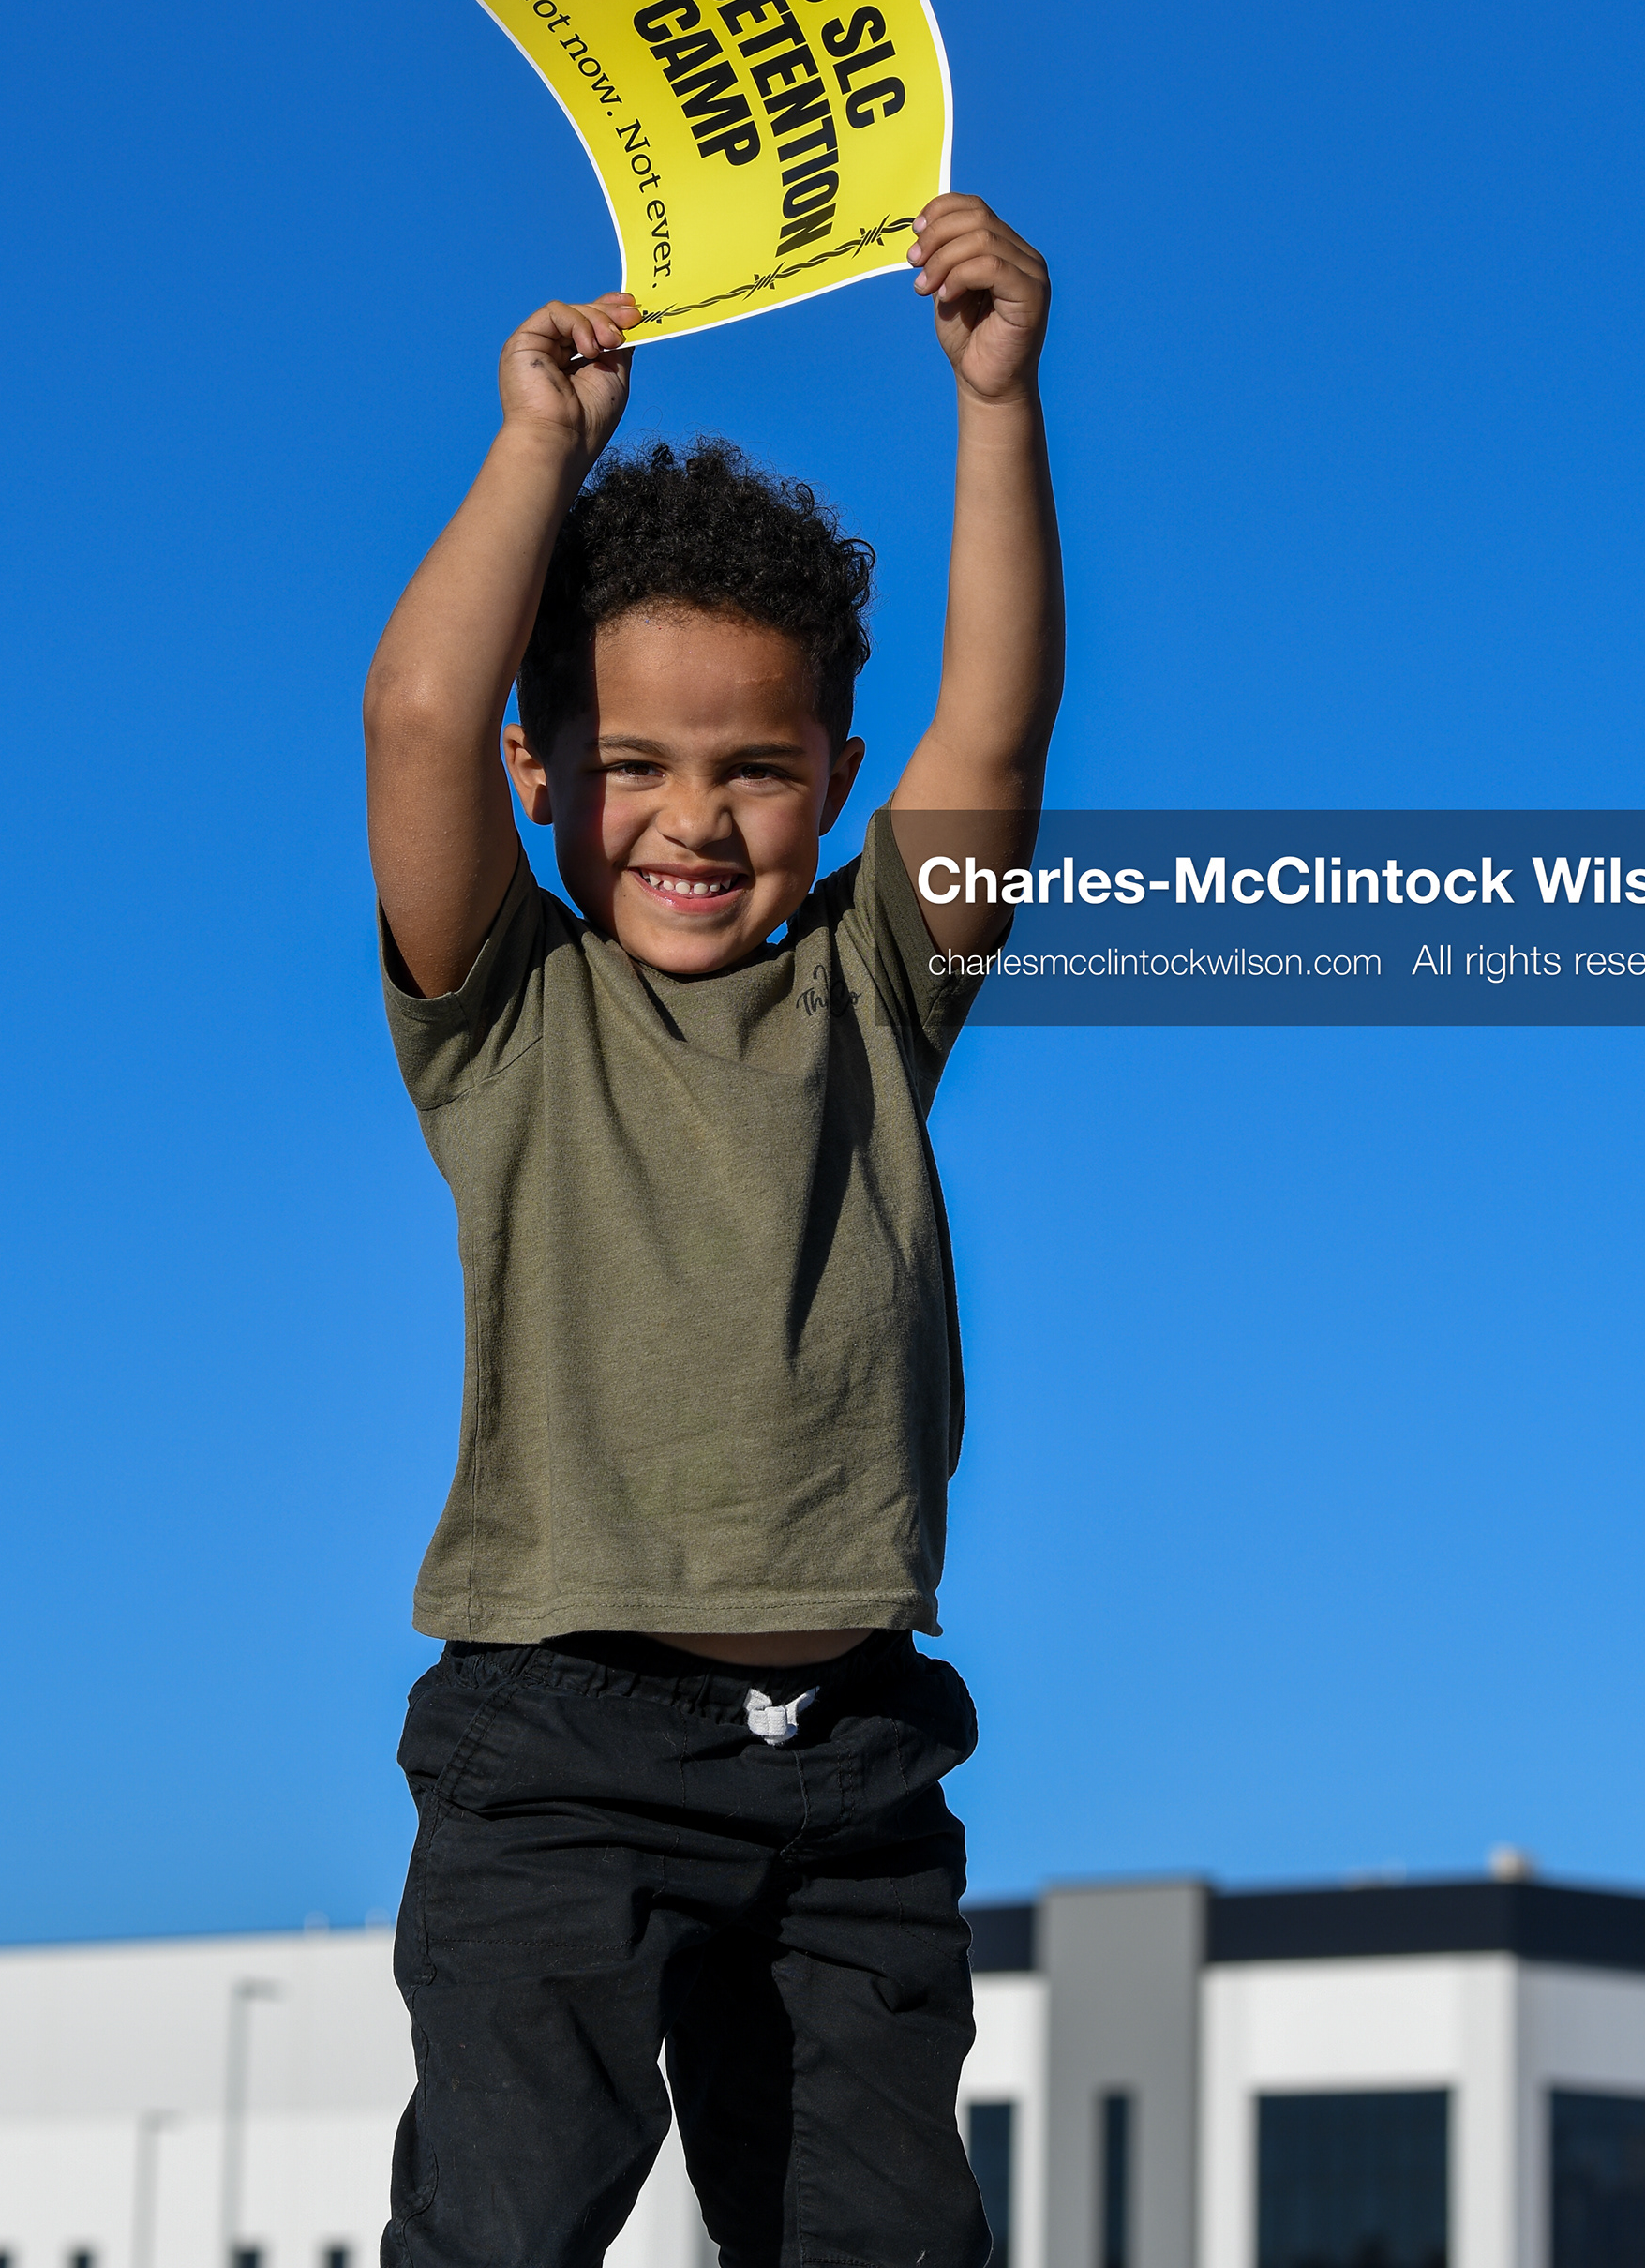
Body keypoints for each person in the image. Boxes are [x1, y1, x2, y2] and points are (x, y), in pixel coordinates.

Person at [363, 194, 1062, 2268]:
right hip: (558, 1754)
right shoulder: (507, 1001)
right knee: (498, 2236)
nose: (694, 815)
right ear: (544, 774)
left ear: (838, 781)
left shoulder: (879, 988)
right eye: (633, 763)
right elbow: (412, 722)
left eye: (758, 769)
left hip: (853, 1772)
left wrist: (999, 408)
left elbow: (1000, 737)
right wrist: (536, 451)